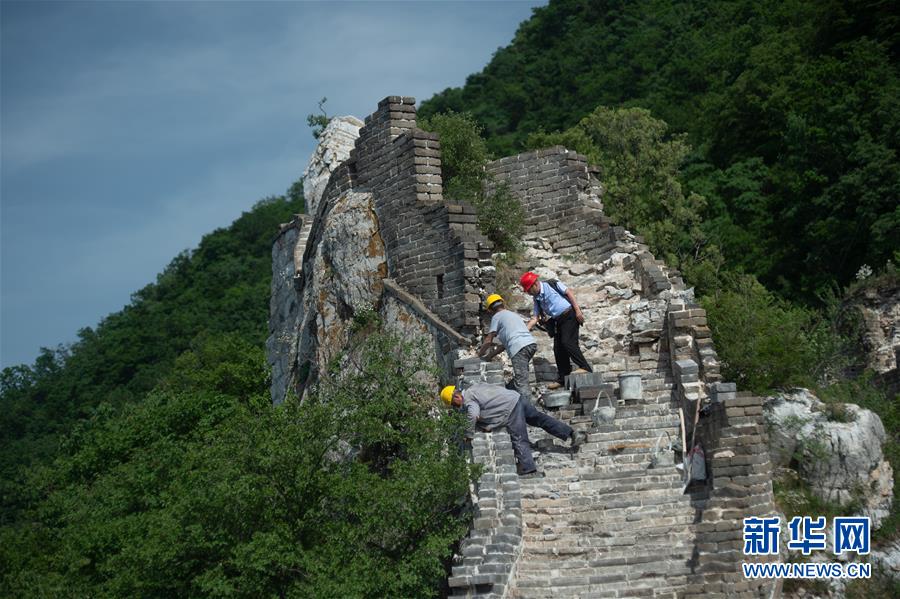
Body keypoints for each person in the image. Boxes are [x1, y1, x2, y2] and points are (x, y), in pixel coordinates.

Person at [440, 383, 587, 478]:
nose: (456, 407)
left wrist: (469, 434)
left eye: (454, 404)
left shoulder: (468, 399)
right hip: (516, 398)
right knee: (540, 419)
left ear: (457, 396)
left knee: (519, 438)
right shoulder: (474, 387)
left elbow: (473, 414)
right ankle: (571, 433)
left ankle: (529, 470)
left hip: (511, 408)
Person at [520, 272, 592, 390]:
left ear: (535, 284)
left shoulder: (551, 284)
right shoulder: (536, 298)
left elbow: (569, 293)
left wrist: (578, 311)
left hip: (570, 315)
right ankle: (563, 378)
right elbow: (535, 317)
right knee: (558, 349)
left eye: (528, 290)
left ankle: (585, 367)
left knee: (567, 342)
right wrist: (524, 331)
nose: (528, 293)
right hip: (558, 320)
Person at [478, 293, 538, 405]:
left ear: (490, 310)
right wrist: (490, 355)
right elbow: (505, 345)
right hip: (530, 344)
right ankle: (510, 394)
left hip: (519, 349)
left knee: (521, 383)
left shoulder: (497, 316)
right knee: (521, 376)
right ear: (503, 303)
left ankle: (528, 410)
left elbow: (489, 340)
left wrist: (479, 354)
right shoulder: (513, 315)